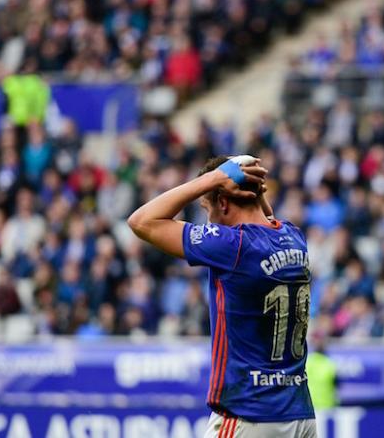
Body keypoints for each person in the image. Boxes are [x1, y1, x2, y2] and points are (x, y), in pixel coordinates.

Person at [128, 155, 316, 437]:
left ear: (223, 203)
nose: (208, 219)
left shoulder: (233, 246)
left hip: (250, 413)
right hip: (300, 414)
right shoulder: (294, 237)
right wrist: (252, 189)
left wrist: (212, 180)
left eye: (207, 207)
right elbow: (266, 219)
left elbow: (141, 221)